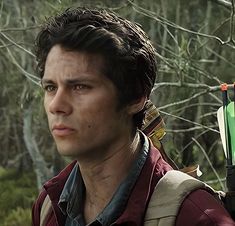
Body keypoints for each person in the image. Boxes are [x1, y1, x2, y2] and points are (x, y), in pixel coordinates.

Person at [32, 7, 235, 226]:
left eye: (80, 87)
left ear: (136, 97)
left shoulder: (196, 218)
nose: (56, 105)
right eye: (51, 87)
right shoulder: (49, 206)